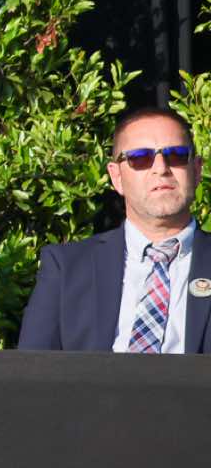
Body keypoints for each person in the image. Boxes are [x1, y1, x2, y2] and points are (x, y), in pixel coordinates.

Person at [18, 105, 207, 353]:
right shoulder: (67, 269)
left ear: (197, 169)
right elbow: (32, 369)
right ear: (116, 177)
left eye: (176, 155)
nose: (161, 168)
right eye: (140, 158)